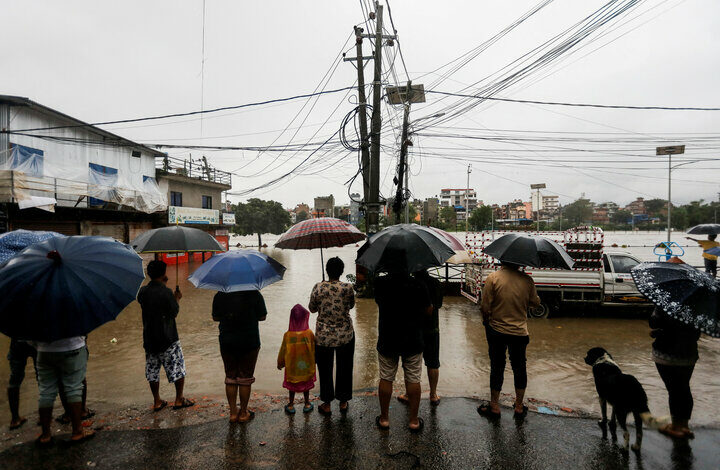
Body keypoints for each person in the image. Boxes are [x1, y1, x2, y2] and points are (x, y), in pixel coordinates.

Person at [478, 261, 541, 420]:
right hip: (519, 332)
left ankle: (494, 406)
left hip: (497, 331)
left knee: (497, 366)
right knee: (519, 367)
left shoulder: (493, 278)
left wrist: (486, 322)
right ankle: (519, 406)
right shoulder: (527, 280)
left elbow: (485, 307)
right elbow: (535, 303)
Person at [373, 271, 432, 432]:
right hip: (413, 339)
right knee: (413, 378)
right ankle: (413, 421)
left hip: (388, 338)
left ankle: (384, 419)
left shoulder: (380, 283)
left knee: (386, 377)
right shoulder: (419, 284)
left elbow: (378, 301)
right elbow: (429, 310)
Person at [136, 260, 194, 412]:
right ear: (163, 273)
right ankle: (179, 398)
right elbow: (173, 312)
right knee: (178, 368)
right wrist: (177, 298)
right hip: (168, 339)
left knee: (152, 371)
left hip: (149, 339)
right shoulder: (166, 292)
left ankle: (157, 401)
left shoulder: (142, 292)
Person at [308, 257, 356, 416]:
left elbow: (312, 309)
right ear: (341, 271)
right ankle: (343, 402)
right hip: (345, 335)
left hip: (323, 336)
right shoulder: (347, 288)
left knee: (325, 369)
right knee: (345, 367)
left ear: (327, 271)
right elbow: (351, 305)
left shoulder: (318, 287)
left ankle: (327, 403)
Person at [212, 288, 267, 423]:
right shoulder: (254, 294)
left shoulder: (220, 295)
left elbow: (215, 317)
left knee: (230, 376)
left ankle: (232, 413)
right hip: (249, 341)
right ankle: (243, 413)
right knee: (245, 377)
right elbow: (262, 316)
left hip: (227, 341)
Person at [650, 299, 700, 439]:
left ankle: (676, 427)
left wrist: (657, 333)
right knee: (684, 387)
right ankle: (684, 426)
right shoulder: (699, 304)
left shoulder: (666, 299)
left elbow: (654, 322)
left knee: (674, 390)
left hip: (666, 354)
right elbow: (694, 332)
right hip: (688, 354)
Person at [35, 336, 95, 445]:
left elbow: (29, 338)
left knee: (46, 391)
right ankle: (77, 431)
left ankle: (45, 435)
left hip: (44, 350)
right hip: (72, 346)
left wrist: (39, 346)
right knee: (73, 387)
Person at [398, 270, 444, 406]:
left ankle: (408, 394)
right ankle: (433, 394)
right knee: (433, 362)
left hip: (412, 329)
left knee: (410, 363)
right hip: (432, 328)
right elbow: (439, 305)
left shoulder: (408, 284)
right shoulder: (436, 283)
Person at [277, 304, 316, 414]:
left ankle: (290, 405)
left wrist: (280, 363)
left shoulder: (288, 335)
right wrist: (316, 360)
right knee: (306, 385)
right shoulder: (309, 334)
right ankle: (307, 403)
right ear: (305, 317)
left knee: (292, 387)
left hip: (292, 367)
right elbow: (314, 349)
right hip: (306, 366)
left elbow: (283, 350)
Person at [6, 339, 37, 429]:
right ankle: (44, 417)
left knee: (14, 381)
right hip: (36, 340)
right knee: (42, 378)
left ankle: (15, 419)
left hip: (17, 341)